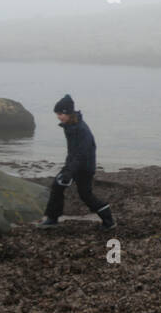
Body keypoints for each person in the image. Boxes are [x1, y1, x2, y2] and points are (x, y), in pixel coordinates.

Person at [36, 94, 116, 230]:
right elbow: (73, 152)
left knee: (86, 195)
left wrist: (69, 172)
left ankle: (108, 221)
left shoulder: (81, 130)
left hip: (84, 167)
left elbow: (81, 154)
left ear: (67, 112)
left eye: (60, 113)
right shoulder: (70, 125)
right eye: (57, 113)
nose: (58, 116)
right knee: (56, 187)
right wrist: (68, 168)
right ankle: (52, 218)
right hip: (74, 164)